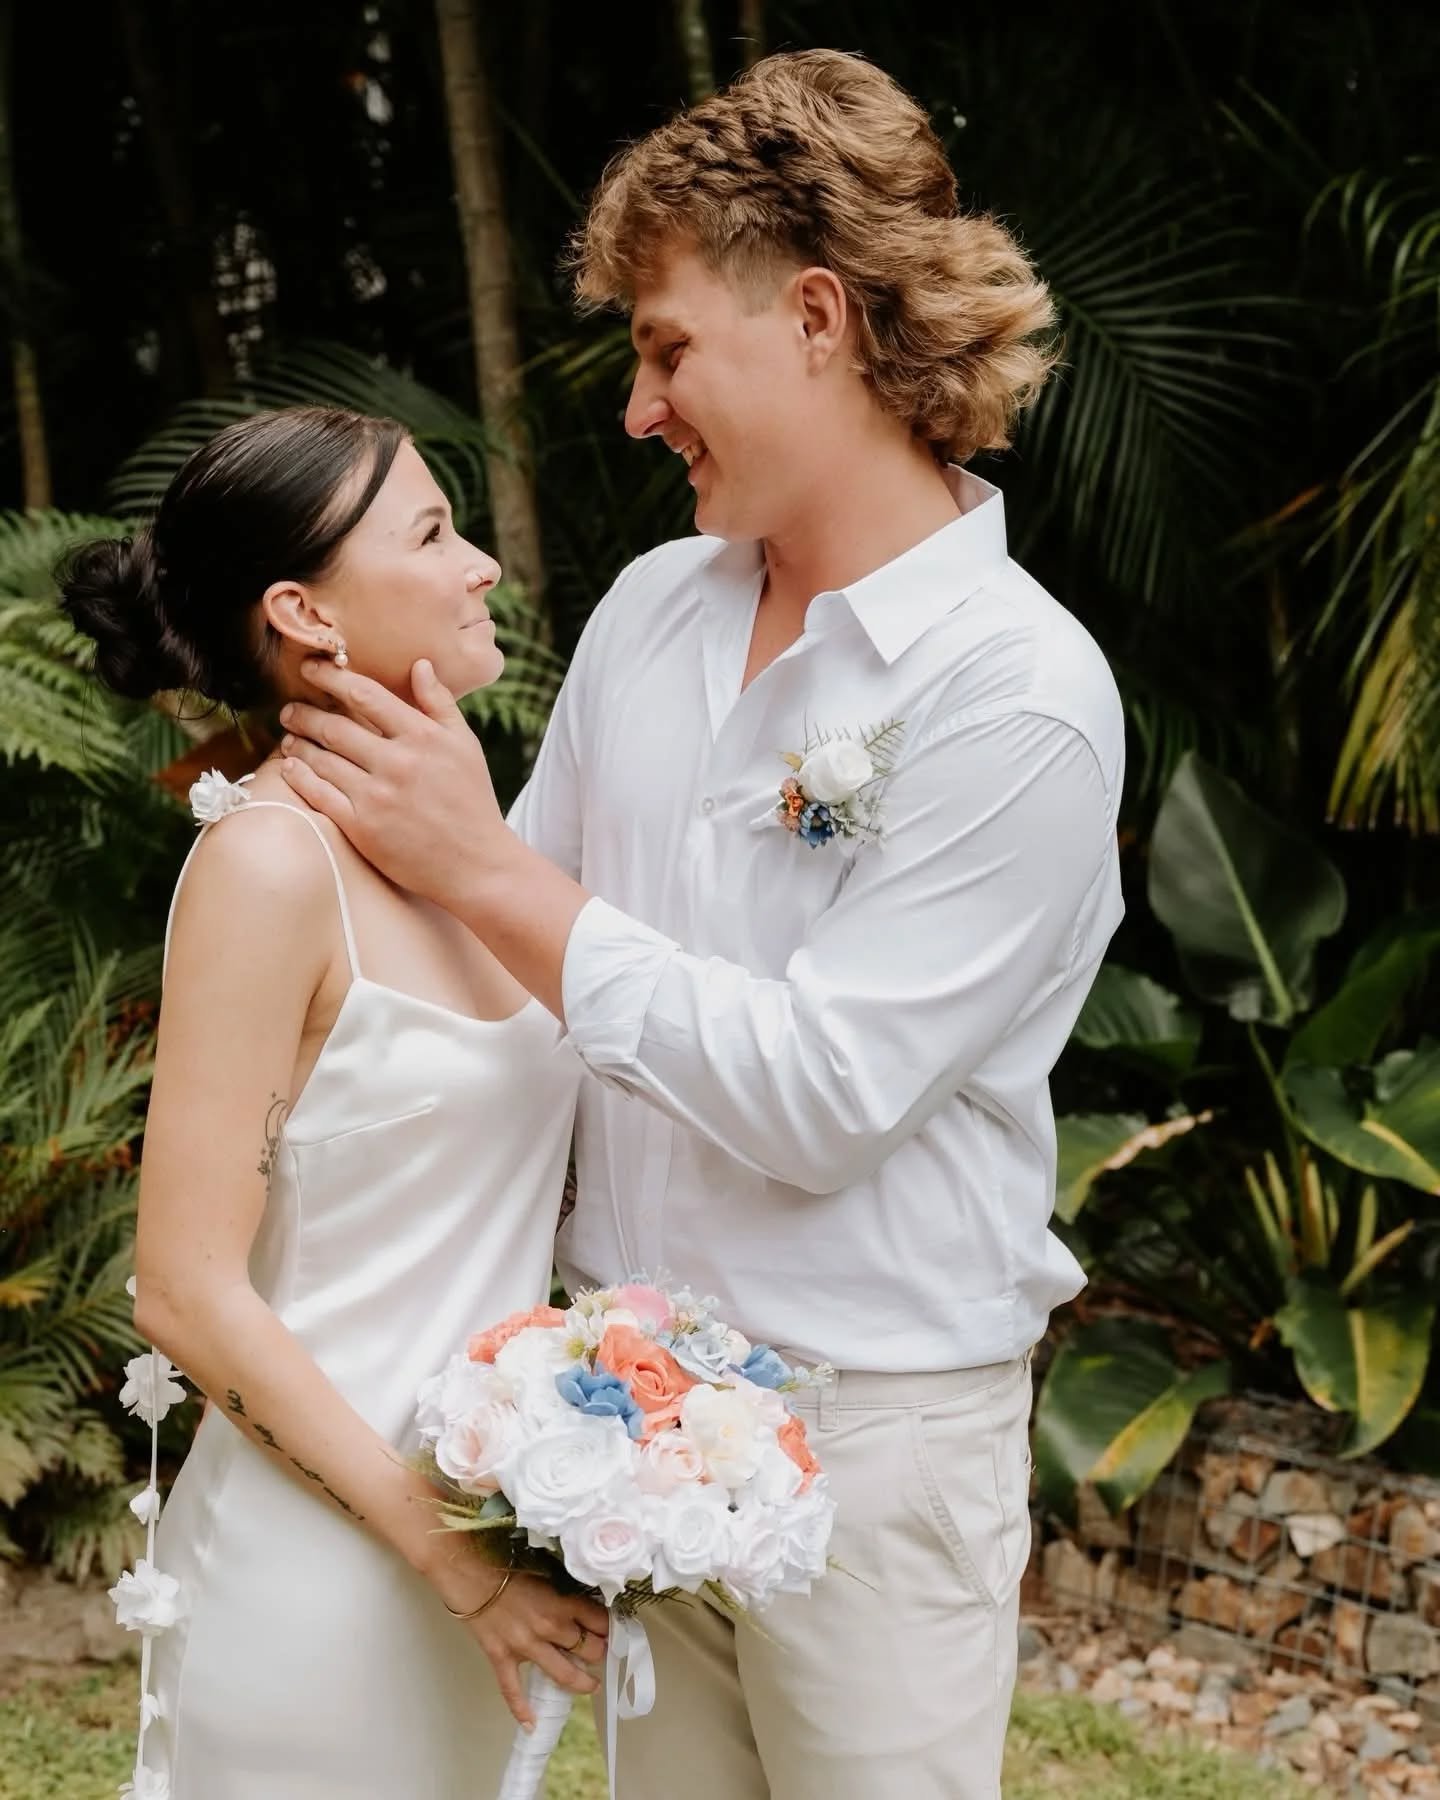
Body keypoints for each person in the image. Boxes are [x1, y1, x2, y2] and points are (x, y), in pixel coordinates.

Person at [278, 49, 1125, 1800]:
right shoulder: (657, 610)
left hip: (877, 1444)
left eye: (667, 349)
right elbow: (517, 985)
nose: (639, 407)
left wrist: (488, 873)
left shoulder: (1017, 695)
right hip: (620, 1409)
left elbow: (821, 1096)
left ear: (817, 317)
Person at [59, 406, 609, 1798]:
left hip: (490, 1554)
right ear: (304, 613)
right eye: (432, 532)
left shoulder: (479, 849)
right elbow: (182, 1289)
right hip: (329, 1574)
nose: (482, 565)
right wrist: (444, 1550)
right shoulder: (268, 867)